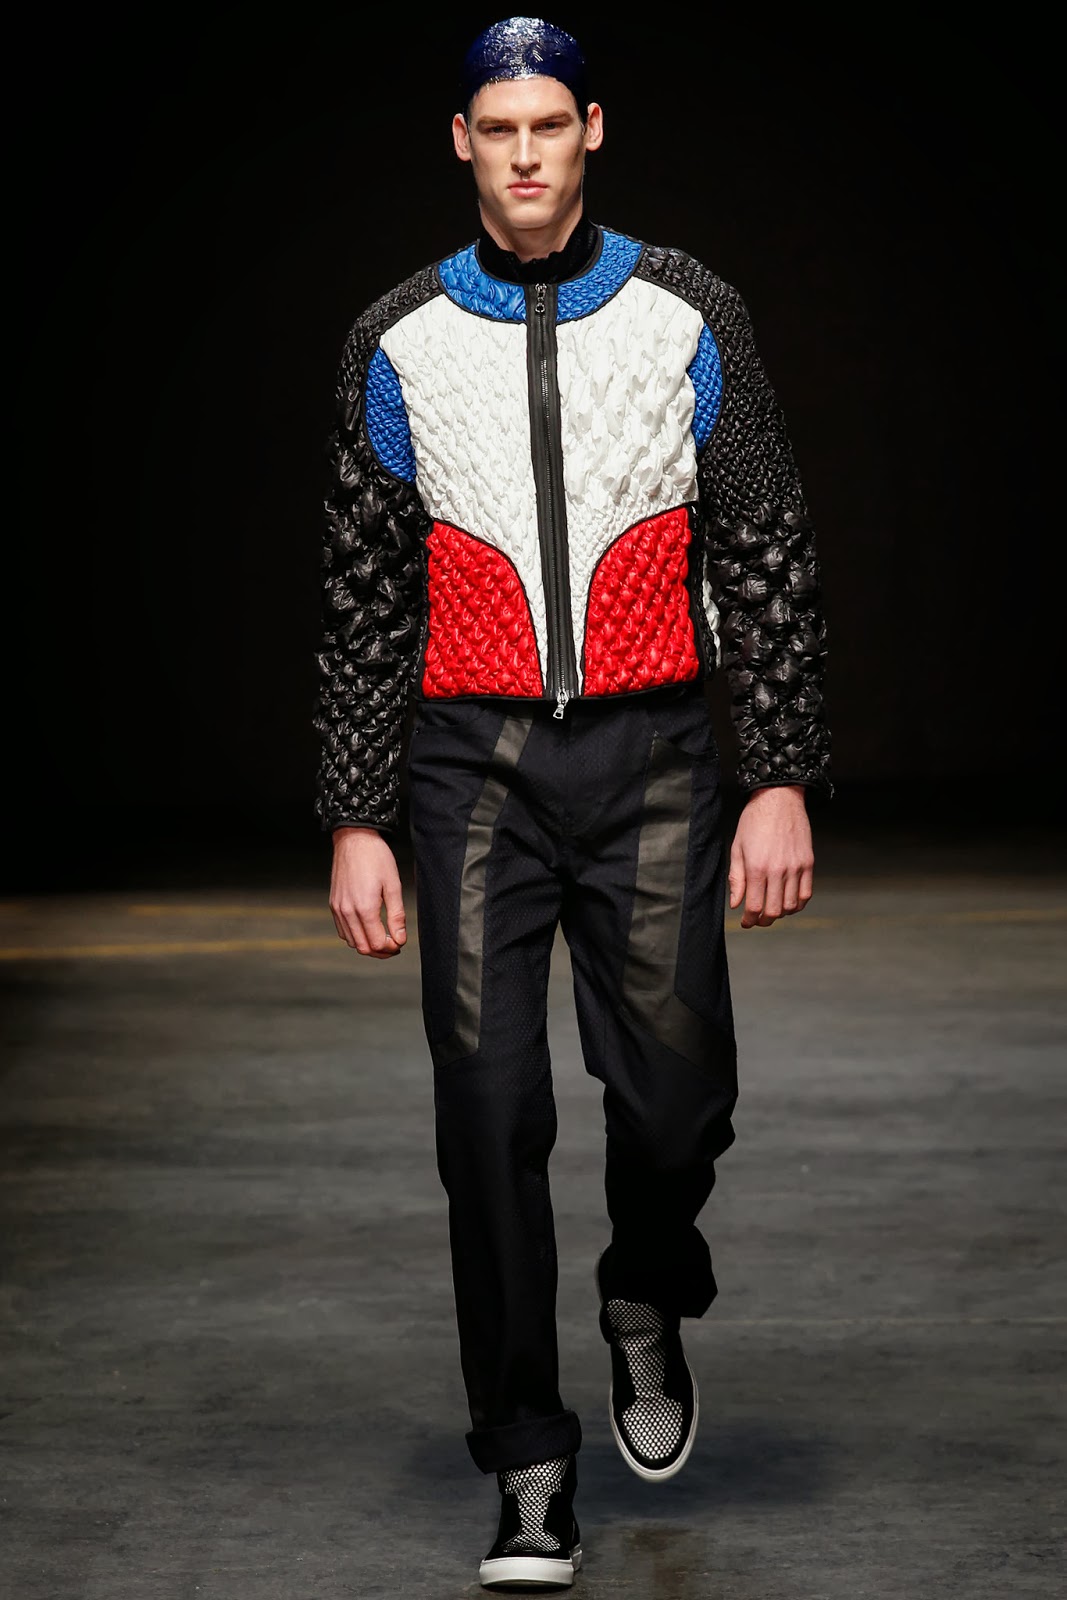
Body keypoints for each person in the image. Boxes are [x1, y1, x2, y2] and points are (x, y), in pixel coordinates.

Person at [314, 16, 831, 1590]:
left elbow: (766, 541)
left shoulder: (690, 310)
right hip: (469, 768)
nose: (526, 153)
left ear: (592, 128)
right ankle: (529, 1463)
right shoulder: (396, 337)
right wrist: (356, 814)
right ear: (461, 141)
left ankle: (646, 1284)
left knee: (677, 1099)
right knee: (486, 1119)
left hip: (657, 755)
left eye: (550, 124)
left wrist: (779, 775)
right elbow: (362, 592)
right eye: (499, 128)